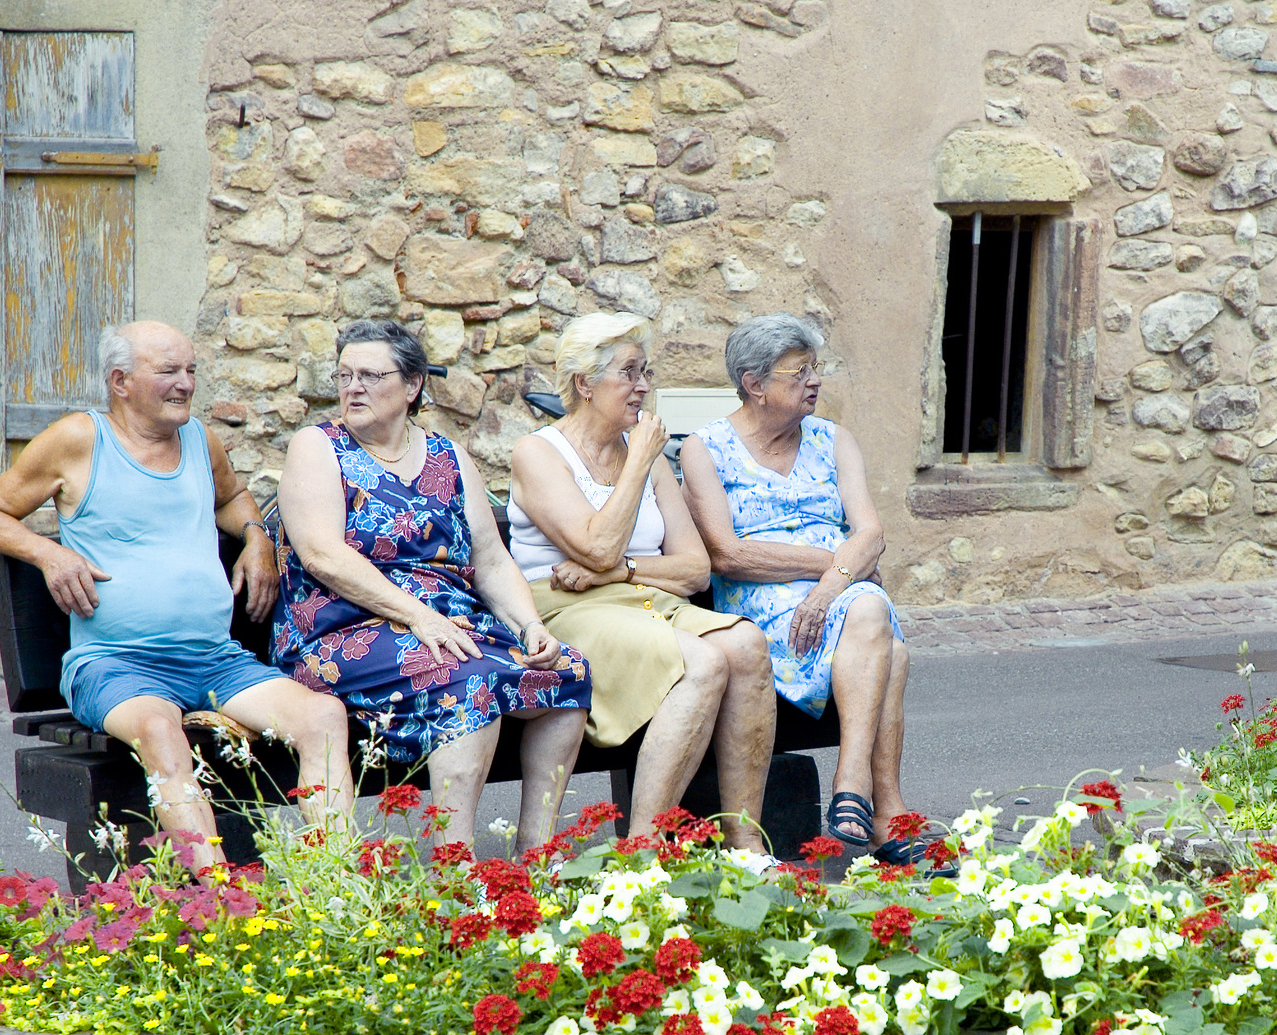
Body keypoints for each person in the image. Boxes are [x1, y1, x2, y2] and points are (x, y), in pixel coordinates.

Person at [0, 321, 355, 865]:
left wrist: (256, 537)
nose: (186, 384)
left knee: (324, 718)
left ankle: (337, 887)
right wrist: (49, 553)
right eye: (169, 371)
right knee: (159, 731)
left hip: (216, 661)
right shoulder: (80, 439)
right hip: (118, 665)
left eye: (191, 370)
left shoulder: (199, 439)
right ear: (120, 381)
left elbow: (234, 495)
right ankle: (223, 905)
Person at [269, 320, 591, 850]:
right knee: (469, 681)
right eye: (345, 374)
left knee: (567, 672)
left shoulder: (449, 457)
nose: (353, 387)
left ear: (413, 385)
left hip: (448, 629)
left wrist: (531, 625)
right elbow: (323, 556)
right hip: (343, 632)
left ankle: (538, 858)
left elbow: (490, 561)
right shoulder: (318, 447)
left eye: (371, 375)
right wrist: (417, 616)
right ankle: (455, 869)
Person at [505, 312, 776, 854]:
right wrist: (636, 472)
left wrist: (620, 570)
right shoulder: (538, 453)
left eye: (645, 372)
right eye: (630, 373)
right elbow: (598, 543)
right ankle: (643, 856)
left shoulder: (642, 454)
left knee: (746, 644)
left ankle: (746, 846)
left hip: (641, 597)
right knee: (702, 663)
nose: (644, 387)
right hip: (566, 608)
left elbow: (694, 568)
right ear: (584, 383)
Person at [681, 313, 927, 865]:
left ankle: (850, 783)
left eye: (816, 367)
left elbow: (871, 532)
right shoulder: (706, 448)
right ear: (754, 383)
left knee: (869, 613)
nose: (815, 379)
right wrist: (835, 567)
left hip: (833, 601)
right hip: (762, 604)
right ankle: (883, 811)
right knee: (889, 641)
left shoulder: (834, 439)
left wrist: (826, 590)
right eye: (800, 371)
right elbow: (728, 554)